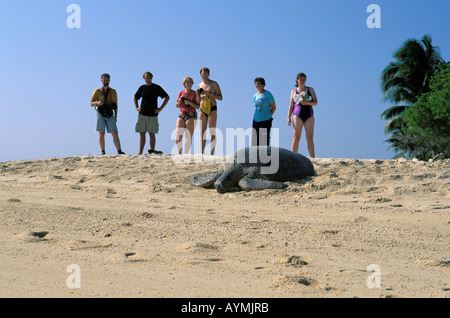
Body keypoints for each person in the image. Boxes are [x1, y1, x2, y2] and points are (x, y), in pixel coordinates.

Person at [134, 71, 170, 154]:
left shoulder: (156, 87)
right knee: (142, 133)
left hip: (153, 114)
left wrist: (160, 108)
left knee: (152, 133)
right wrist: (136, 107)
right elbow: (135, 97)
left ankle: (152, 150)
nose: (147, 79)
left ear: (151, 78)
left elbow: (167, 97)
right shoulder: (142, 88)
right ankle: (140, 152)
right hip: (142, 114)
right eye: (146, 78)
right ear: (144, 78)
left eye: (149, 77)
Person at [90, 73, 125, 155]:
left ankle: (119, 151)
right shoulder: (97, 91)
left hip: (109, 112)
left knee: (114, 132)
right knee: (101, 132)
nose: (105, 81)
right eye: (104, 79)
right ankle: (103, 151)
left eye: (107, 79)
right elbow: (91, 103)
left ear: (109, 80)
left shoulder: (113, 91)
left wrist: (116, 116)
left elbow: (115, 105)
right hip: (100, 112)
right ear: (101, 80)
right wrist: (97, 102)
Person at [287, 72, 318, 157]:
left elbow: (316, 102)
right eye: (300, 79)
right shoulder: (293, 91)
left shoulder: (310, 89)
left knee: (310, 138)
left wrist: (306, 102)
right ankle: (293, 157)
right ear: (297, 81)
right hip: (297, 115)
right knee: (296, 137)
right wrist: (288, 117)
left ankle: (313, 158)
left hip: (309, 115)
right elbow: (291, 105)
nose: (302, 81)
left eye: (304, 79)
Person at [197, 67, 222, 155]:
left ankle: (212, 153)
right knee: (202, 132)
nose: (204, 75)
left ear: (209, 74)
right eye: (202, 74)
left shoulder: (214, 84)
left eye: (206, 73)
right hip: (202, 109)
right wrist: (198, 94)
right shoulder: (199, 85)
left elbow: (220, 97)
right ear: (200, 75)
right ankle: (202, 153)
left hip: (212, 108)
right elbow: (197, 100)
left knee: (212, 131)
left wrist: (209, 94)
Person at [175, 77, 200, 154]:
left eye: (190, 82)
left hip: (191, 115)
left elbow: (198, 106)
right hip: (182, 113)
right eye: (186, 82)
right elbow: (176, 105)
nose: (188, 84)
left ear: (192, 83)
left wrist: (190, 103)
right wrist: (179, 102)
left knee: (188, 136)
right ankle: (179, 153)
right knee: (178, 135)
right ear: (184, 84)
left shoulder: (195, 93)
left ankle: (186, 154)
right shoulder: (181, 93)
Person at [252, 77, 276, 146]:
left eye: (259, 84)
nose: (257, 86)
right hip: (256, 119)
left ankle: (266, 155)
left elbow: (274, 107)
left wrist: (269, 116)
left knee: (264, 139)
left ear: (263, 85)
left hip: (266, 119)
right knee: (255, 140)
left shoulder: (267, 94)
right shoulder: (255, 95)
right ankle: (256, 155)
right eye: (255, 84)